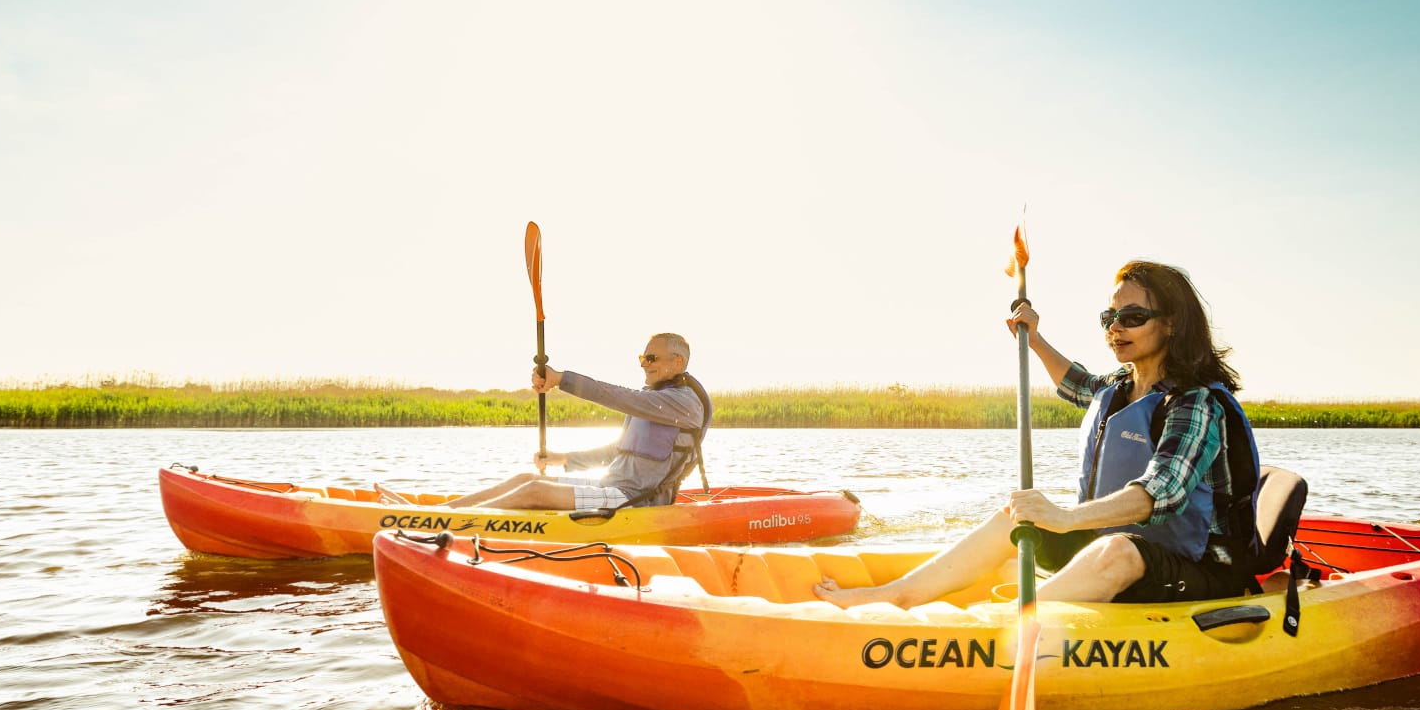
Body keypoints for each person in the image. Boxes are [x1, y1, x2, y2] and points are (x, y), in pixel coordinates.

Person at [814, 260, 1260, 608]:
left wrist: (1064, 517)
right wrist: (1034, 338)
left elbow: (1159, 492)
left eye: (1133, 316)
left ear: (1172, 324)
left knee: (1117, 550)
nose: (1115, 327)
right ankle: (896, 595)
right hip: (1118, 550)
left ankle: (1012, 626)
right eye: (1110, 315)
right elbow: (1076, 383)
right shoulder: (1121, 388)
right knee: (1017, 513)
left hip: (1198, 568)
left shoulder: (1195, 404)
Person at [426, 333, 710, 512]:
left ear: (678, 361)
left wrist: (561, 379)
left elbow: (617, 397)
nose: (644, 364)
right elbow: (617, 452)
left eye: (651, 358)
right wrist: (561, 458)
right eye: (642, 358)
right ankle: (437, 513)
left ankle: (446, 522)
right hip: (611, 486)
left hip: (636, 499)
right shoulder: (656, 398)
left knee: (534, 492)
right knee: (527, 479)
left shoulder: (683, 404)